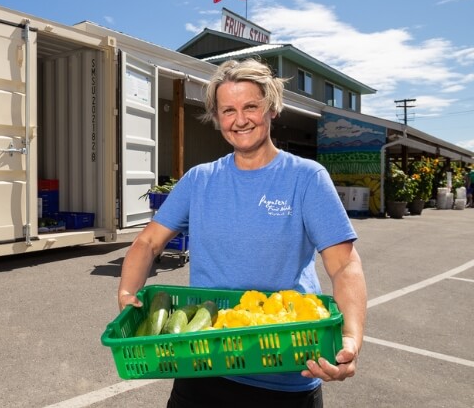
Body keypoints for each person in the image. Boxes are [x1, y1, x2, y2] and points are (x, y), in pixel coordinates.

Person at [117, 58, 367, 407]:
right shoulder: (199, 180)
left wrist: (351, 338)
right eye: (228, 110)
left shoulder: (306, 178)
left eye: (251, 106)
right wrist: (128, 292)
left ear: (272, 108)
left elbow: (344, 265)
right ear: (217, 118)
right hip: (203, 367)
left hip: (287, 371)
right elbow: (147, 242)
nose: (240, 119)